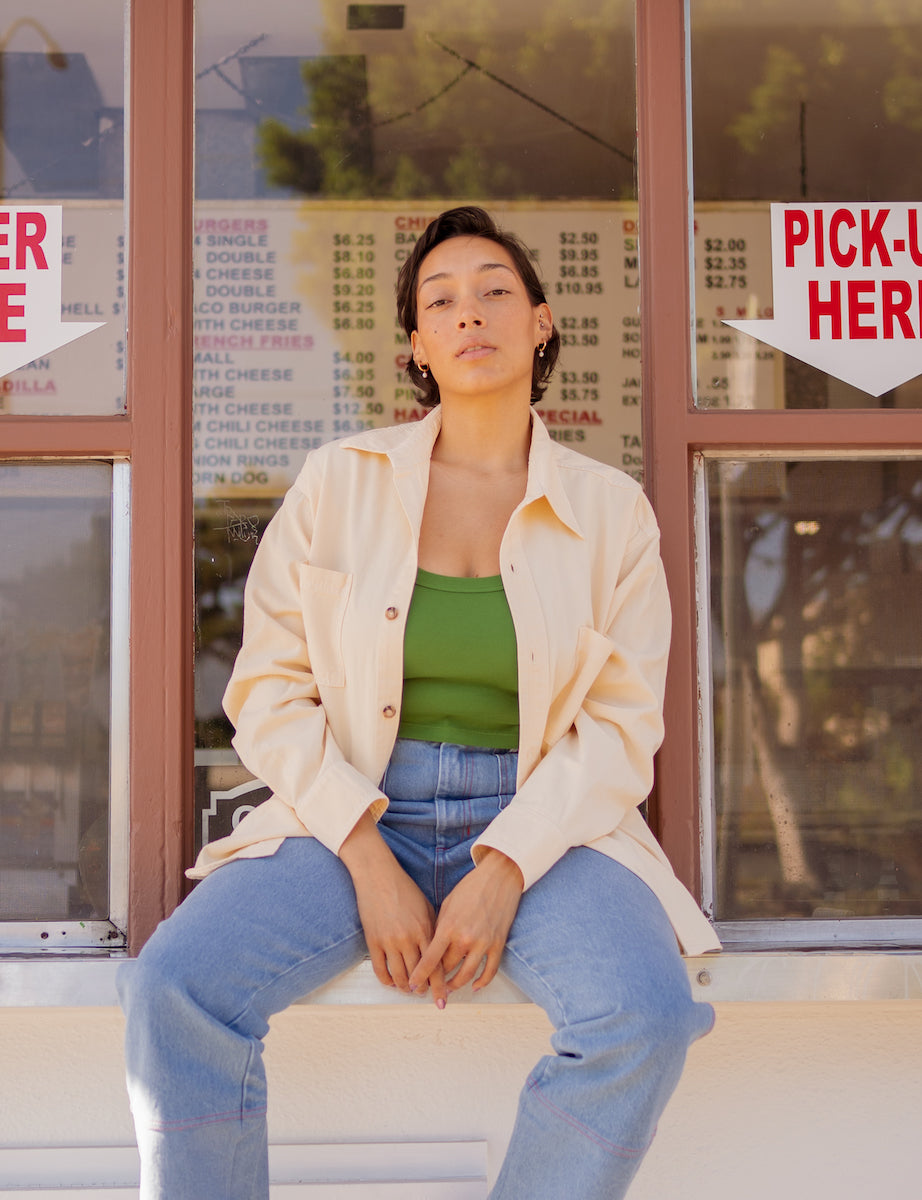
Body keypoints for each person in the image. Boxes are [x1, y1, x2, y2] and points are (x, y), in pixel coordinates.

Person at [118, 205, 720, 1200]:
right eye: (440, 300)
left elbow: (620, 730)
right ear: (417, 348)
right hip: (351, 807)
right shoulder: (337, 485)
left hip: (547, 825)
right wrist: (363, 851)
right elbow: (266, 691)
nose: (468, 313)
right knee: (175, 989)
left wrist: (502, 869)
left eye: (493, 290)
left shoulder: (609, 510)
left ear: (540, 323)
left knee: (645, 1016)